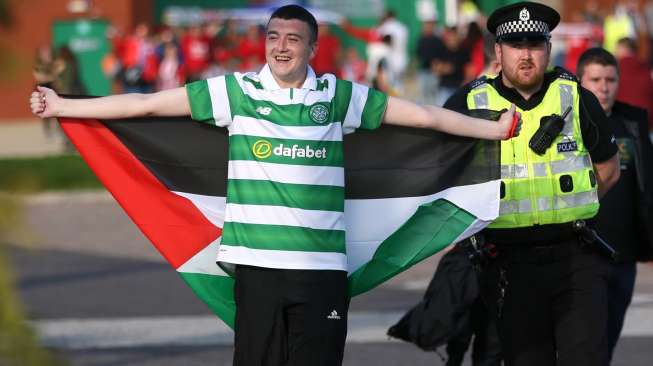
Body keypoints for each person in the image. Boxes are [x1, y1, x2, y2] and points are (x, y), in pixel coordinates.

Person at [30, 5, 519, 366]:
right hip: (257, 268)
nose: (281, 46)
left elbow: (424, 117)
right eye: (273, 37)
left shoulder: (338, 96)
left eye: (292, 38)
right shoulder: (237, 92)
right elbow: (147, 105)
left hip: (322, 270)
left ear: (312, 47)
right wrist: (64, 106)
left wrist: (491, 130)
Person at [442, 2, 620, 366]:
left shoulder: (576, 97)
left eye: (535, 44)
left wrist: (571, 209)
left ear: (548, 50)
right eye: (516, 45)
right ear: (498, 51)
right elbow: (442, 176)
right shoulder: (469, 102)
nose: (526, 55)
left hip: (576, 258)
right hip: (508, 264)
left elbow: (609, 169)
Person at [576, 47, 653, 362]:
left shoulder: (632, 122)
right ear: (580, 82)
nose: (604, 87)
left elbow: (646, 184)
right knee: (584, 344)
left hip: (625, 252)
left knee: (607, 343)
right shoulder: (567, 124)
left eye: (610, 79)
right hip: (583, 253)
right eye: (595, 79)